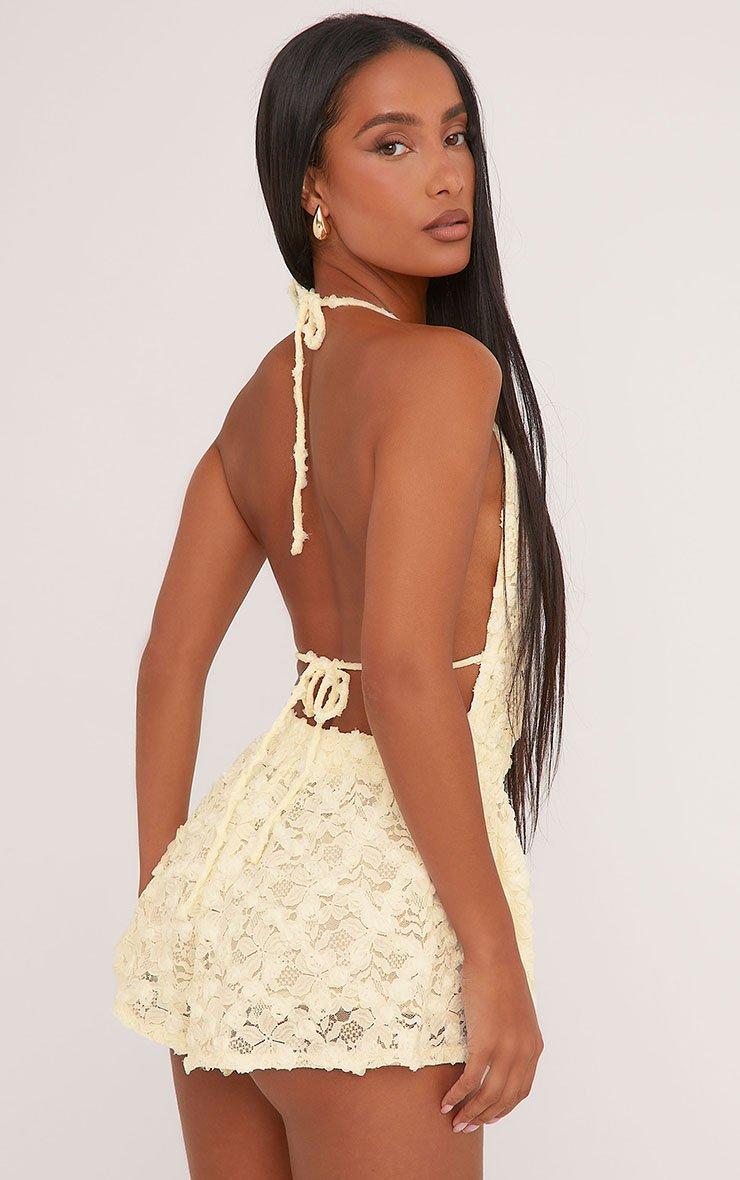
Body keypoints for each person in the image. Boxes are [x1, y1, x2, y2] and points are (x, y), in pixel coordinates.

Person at [113, 13, 565, 1178]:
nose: (447, 174)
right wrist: (492, 957)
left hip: (223, 912)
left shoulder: (262, 398)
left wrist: (168, 905)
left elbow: (168, 665)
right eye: (392, 144)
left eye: (455, 136)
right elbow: (403, 671)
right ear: (308, 185)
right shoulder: (443, 371)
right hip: (370, 915)